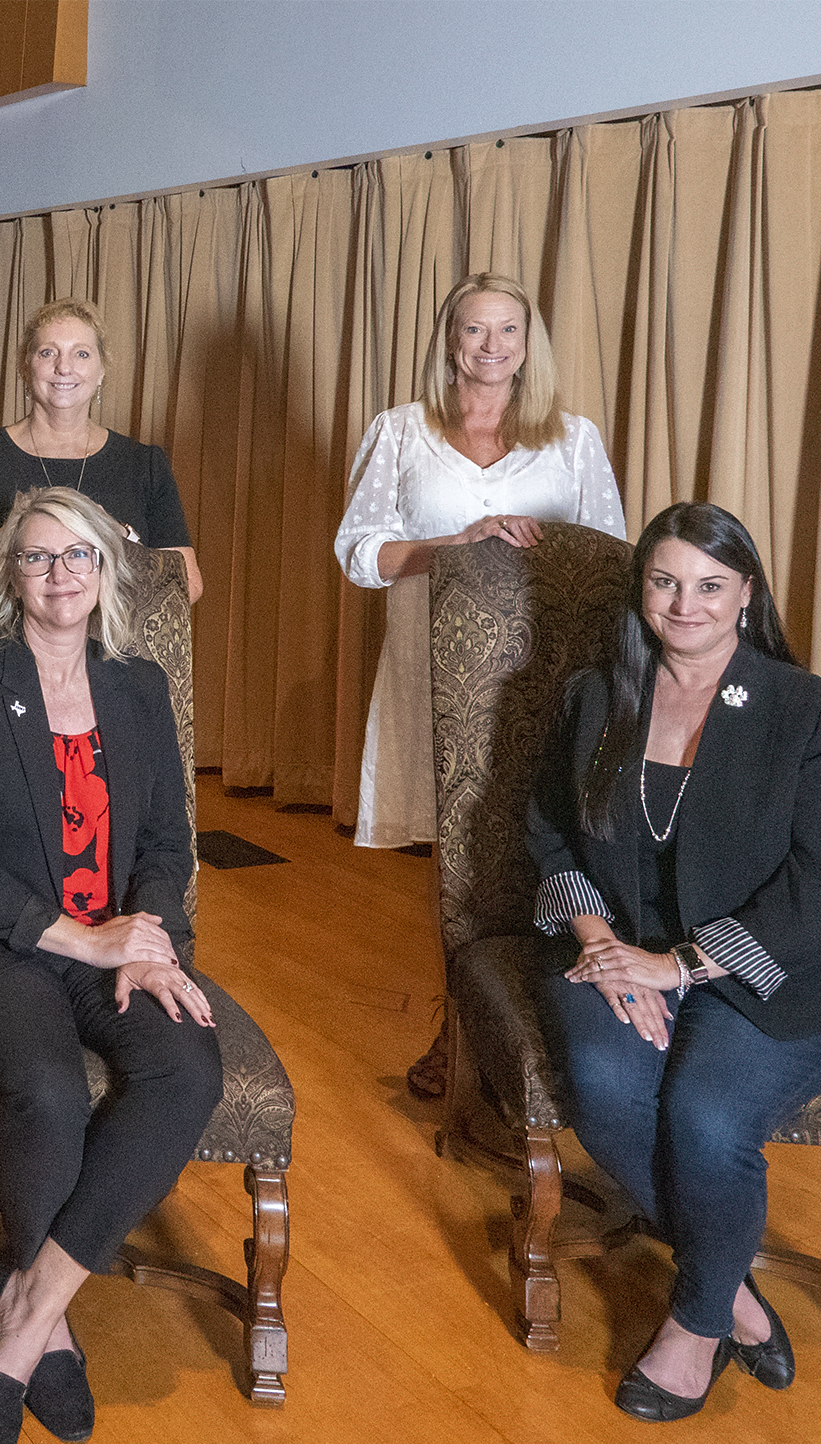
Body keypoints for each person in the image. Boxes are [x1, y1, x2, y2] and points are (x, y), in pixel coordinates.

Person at [0, 488, 223, 1444]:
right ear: (10, 577)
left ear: (106, 572)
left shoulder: (139, 687)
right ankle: (53, 1335)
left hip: (119, 936)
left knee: (187, 1070)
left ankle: (29, 1309)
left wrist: (150, 936)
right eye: (38, 558)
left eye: (78, 555)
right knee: (41, 1086)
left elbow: (166, 839)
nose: (60, 573)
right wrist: (89, 942)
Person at [527, 502, 821, 1423]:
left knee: (707, 1117)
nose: (686, 604)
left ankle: (696, 1326)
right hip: (618, 945)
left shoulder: (809, 713)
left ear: (746, 595)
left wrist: (684, 966)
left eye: (710, 585)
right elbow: (547, 833)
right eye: (666, 581)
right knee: (605, 1081)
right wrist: (597, 940)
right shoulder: (598, 695)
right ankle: (736, 1293)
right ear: (642, 589)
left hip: (774, 968)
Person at [334, 271, 626, 1098]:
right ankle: (459, 1027)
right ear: (449, 342)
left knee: (542, 843)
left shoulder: (572, 438)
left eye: (507, 331)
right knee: (457, 854)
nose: (491, 347)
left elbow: (609, 561)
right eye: (474, 331)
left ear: (528, 345)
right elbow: (360, 554)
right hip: (432, 672)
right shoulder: (398, 432)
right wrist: (456, 544)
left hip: (547, 676)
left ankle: (528, 1026)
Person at [0, 297, 200, 606]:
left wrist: (120, 535)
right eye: (47, 352)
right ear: (25, 366)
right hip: (3, 649)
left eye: (81, 354)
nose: (63, 367)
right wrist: (2, 546)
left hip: (117, 649)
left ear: (101, 371)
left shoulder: (145, 464)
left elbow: (189, 584)